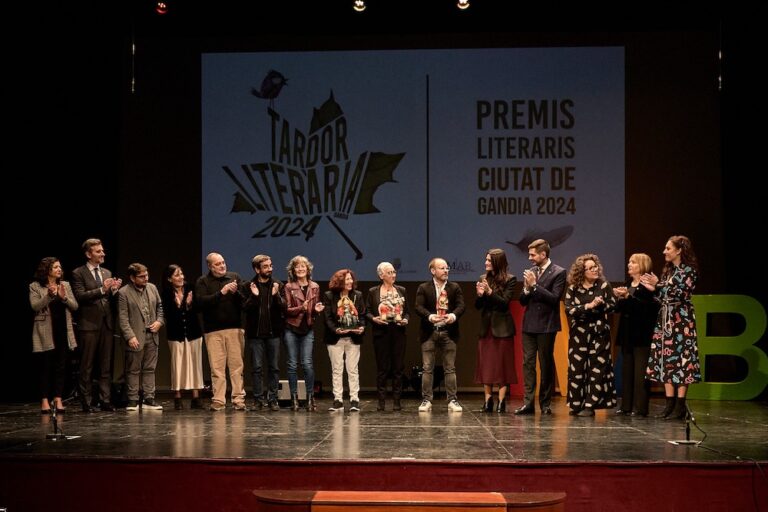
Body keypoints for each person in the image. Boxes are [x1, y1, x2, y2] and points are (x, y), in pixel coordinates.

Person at [642, 235, 701, 420]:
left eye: (668, 248)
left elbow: (681, 293)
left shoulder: (689, 271)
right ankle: (669, 404)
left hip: (681, 319)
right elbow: (663, 296)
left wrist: (658, 285)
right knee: (666, 358)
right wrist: (655, 290)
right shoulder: (668, 271)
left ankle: (680, 405)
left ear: (679, 250)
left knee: (682, 359)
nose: (664, 252)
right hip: (665, 318)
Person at [516, 239, 567, 416]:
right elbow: (522, 301)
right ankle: (528, 403)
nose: (529, 258)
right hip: (529, 324)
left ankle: (545, 404)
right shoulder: (531, 272)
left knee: (545, 363)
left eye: (532, 254)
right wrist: (527, 289)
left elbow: (554, 298)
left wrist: (534, 286)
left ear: (543, 254)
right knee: (528, 363)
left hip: (547, 325)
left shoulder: (559, 272)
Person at [71, 238, 122, 412]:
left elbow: (109, 299)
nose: (102, 254)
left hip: (106, 323)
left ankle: (105, 399)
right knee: (87, 365)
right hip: (88, 324)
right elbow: (79, 296)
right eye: (98, 251)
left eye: (102, 250)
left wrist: (114, 290)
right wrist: (102, 290)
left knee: (105, 365)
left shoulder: (107, 272)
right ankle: (86, 402)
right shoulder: (78, 273)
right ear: (88, 254)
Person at [563, 254, 617, 416]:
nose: (595, 270)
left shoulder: (604, 285)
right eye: (591, 268)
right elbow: (569, 310)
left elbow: (613, 306)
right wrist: (588, 306)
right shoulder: (573, 288)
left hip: (599, 332)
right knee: (577, 368)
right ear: (582, 271)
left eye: (596, 267)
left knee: (597, 368)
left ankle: (590, 405)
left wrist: (601, 305)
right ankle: (576, 404)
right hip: (579, 333)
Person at [195, 252, 247, 411]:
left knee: (237, 367)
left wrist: (236, 292)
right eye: (218, 264)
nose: (222, 266)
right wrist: (221, 292)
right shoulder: (203, 281)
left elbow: (245, 302)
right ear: (210, 266)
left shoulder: (234, 277)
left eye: (223, 262)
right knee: (217, 368)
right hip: (213, 331)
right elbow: (200, 303)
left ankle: (238, 399)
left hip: (234, 329)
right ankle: (218, 400)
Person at [414, 257, 465, 412]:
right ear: (433, 271)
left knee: (450, 368)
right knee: (427, 368)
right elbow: (418, 307)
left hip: (448, 332)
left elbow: (461, 306)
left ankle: (452, 400)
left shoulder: (454, 287)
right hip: (429, 332)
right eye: (442, 268)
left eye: (447, 268)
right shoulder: (424, 287)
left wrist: (453, 316)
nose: (446, 270)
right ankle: (426, 400)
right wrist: (430, 316)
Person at [29, 257, 79, 414]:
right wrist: (49, 296)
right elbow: (35, 306)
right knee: (45, 366)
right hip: (46, 331)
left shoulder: (65, 285)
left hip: (63, 330)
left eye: (60, 267)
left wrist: (64, 298)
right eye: (56, 267)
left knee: (61, 366)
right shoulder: (35, 286)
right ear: (47, 270)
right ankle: (44, 399)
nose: (59, 269)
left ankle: (58, 398)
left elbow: (75, 306)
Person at [613, 253, 659, 417]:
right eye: (629, 262)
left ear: (642, 266)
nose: (629, 265)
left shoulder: (648, 286)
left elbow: (645, 309)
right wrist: (620, 298)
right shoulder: (628, 284)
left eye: (633, 262)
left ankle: (640, 407)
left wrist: (628, 297)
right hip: (627, 334)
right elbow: (619, 309)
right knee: (627, 371)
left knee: (640, 373)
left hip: (641, 335)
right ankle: (626, 406)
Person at [474, 248, 517, 413]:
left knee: (502, 365)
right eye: (486, 259)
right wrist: (480, 296)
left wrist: (490, 292)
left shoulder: (510, 279)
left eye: (489, 260)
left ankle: (502, 401)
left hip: (502, 328)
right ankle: (488, 401)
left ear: (497, 262)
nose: (485, 263)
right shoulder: (483, 278)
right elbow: (478, 306)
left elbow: (504, 303)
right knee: (487, 365)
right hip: (486, 329)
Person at [118, 263, 165, 411]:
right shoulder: (124, 292)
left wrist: (159, 321)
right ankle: (132, 399)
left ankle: (149, 398)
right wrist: (130, 336)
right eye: (142, 276)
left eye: (147, 275)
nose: (146, 278)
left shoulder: (152, 288)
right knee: (133, 369)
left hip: (152, 335)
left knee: (150, 368)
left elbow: (160, 307)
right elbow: (123, 318)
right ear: (132, 278)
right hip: (136, 336)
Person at [283, 255, 325, 411]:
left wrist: (316, 310)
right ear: (293, 270)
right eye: (297, 266)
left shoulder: (314, 287)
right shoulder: (289, 287)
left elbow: (312, 310)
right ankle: (294, 398)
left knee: (307, 364)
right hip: (291, 328)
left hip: (307, 329)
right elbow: (287, 310)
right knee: (292, 364)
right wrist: (302, 308)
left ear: (308, 269)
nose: (300, 269)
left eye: (303, 266)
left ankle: (310, 398)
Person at [366, 262, 409, 411]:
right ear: (381, 275)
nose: (393, 275)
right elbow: (367, 311)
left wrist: (405, 320)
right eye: (389, 272)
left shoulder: (401, 290)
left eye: (394, 272)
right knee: (382, 368)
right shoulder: (373, 291)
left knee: (398, 368)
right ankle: (381, 401)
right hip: (381, 331)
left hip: (398, 331)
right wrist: (374, 319)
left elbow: (407, 312)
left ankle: (397, 401)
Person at [244, 254, 284, 411]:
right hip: (256, 334)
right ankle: (258, 400)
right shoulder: (249, 286)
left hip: (273, 334)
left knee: (274, 368)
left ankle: (273, 399)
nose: (270, 269)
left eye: (270, 265)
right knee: (257, 368)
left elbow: (284, 307)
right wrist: (254, 297)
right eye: (266, 266)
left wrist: (276, 295)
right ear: (257, 269)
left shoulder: (277, 285)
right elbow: (244, 308)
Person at [161, 264, 204, 410]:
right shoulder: (166, 293)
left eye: (181, 274)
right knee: (177, 364)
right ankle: (178, 397)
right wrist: (178, 305)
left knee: (195, 364)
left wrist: (189, 304)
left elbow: (199, 308)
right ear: (169, 279)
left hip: (194, 332)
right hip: (176, 334)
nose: (181, 277)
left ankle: (196, 397)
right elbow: (167, 315)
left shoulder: (190, 288)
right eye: (177, 275)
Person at [323, 269, 366, 412]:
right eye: (347, 279)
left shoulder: (357, 295)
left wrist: (361, 327)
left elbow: (362, 315)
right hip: (335, 338)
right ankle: (338, 400)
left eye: (351, 279)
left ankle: (354, 400)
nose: (350, 282)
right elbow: (328, 317)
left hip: (353, 337)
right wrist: (336, 329)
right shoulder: (329, 296)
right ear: (340, 281)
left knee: (353, 370)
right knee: (337, 369)